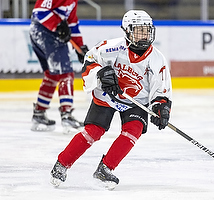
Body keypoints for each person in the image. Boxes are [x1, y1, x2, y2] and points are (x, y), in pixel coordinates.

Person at [50, 10, 172, 190]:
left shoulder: (157, 59)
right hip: (108, 95)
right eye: (139, 30)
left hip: (135, 101)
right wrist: (100, 73)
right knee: (93, 131)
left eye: (147, 30)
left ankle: (105, 168)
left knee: (134, 129)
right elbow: (89, 61)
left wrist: (161, 107)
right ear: (128, 31)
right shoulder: (111, 47)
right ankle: (62, 164)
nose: (144, 35)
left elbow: (161, 88)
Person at [29, 0, 89, 133]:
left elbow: (72, 23)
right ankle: (66, 115)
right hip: (44, 31)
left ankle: (39, 114)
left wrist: (80, 47)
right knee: (66, 74)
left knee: (53, 75)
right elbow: (39, 11)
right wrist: (58, 25)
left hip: (42, 32)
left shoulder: (73, 2)